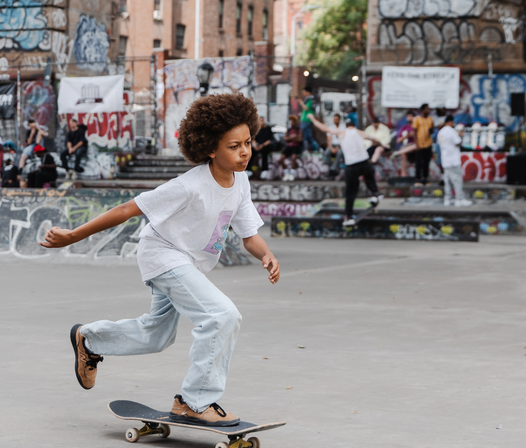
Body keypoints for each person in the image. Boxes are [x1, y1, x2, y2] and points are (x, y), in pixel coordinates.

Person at [40, 93, 279, 427]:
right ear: (210, 148)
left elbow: (249, 233)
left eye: (248, 142)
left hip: (187, 263)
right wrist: (74, 235)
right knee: (221, 315)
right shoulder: (189, 185)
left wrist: (266, 254)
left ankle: (89, 339)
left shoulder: (240, 182)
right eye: (233, 146)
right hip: (164, 256)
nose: (244, 152)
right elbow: (128, 209)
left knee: (157, 336)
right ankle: (195, 402)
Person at [308, 114, 381, 226]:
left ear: (347, 127)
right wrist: (379, 143)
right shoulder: (359, 132)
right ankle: (374, 194)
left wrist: (313, 119)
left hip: (351, 165)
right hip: (364, 162)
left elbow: (325, 128)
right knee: (369, 174)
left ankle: (348, 216)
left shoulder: (342, 132)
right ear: (354, 126)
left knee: (350, 192)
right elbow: (374, 139)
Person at [437, 114, 472, 207]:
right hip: (453, 160)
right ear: (450, 122)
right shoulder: (451, 131)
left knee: (447, 181)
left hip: (445, 161)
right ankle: (459, 199)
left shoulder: (441, 132)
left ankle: (447, 199)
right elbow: (458, 143)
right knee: (457, 180)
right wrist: (461, 135)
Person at [413, 103, 434, 183]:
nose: (429, 111)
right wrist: (416, 144)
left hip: (428, 143)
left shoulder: (430, 119)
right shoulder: (416, 119)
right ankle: (417, 178)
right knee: (418, 162)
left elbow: (431, 130)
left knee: (426, 162)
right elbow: (414, 132)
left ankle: (425, 178)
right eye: (427, 109)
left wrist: (431, 130)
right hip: (420, 144)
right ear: (423, 110)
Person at [391, 112, 417, 177]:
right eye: (408, 116)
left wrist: (413, 134)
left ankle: (397, 153)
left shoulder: (417, 127)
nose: (409, 118)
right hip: (406, 146)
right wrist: (406, 136)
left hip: (416, 145)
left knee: (416, 146)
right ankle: (403, 175)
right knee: (403, 154)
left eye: (411, 116)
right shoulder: (404, 127)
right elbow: (398, 141)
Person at [279, 115, 303, 180]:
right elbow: (285, 138)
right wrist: (293, 137)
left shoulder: (299, 130)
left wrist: (290, 139)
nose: (291, 123)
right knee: (281, 159)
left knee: (293, 157)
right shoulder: (288, 130)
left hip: (296, 146)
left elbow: (300, 139)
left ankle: (292, 173)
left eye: (293, 122)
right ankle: (286, 173)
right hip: (288, 147)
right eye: (291, 122)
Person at [297, 86, 319, 152]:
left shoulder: (310, 99)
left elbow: (306, 108)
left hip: (306, 120)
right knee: (308, 136)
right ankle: (314, 148)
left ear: (308, 92)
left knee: (305, 136)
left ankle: (306, 149)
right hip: (306, 120)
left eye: (304, 92)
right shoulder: (309, 99)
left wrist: (300, 102)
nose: (303, 94)